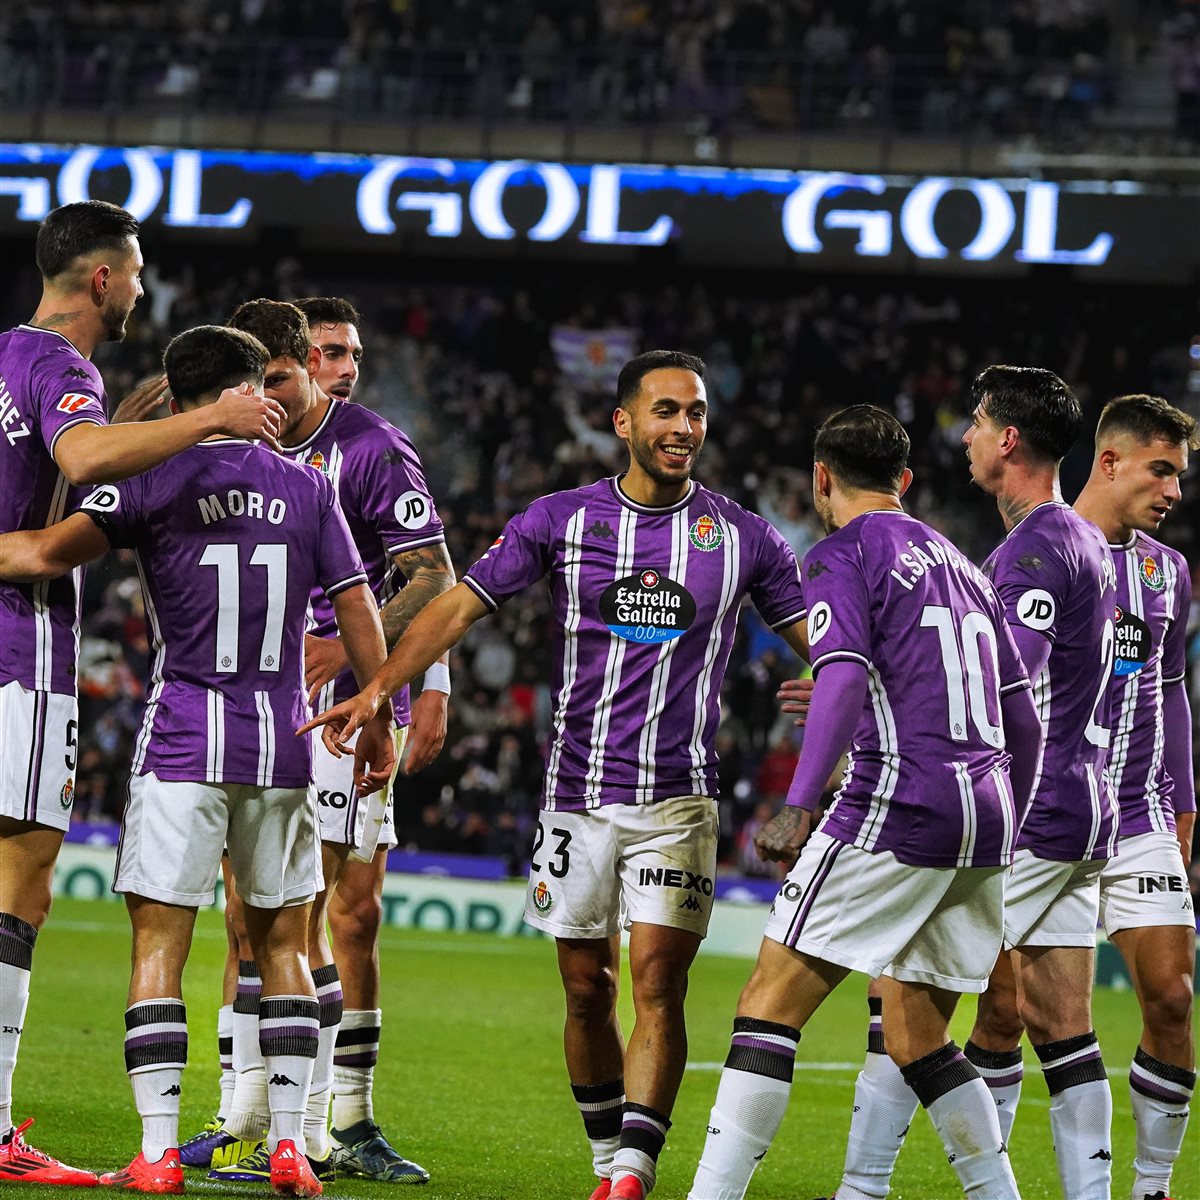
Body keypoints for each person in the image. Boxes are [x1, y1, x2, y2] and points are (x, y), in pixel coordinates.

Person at [301, 350, 810, 1200]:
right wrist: (381, 687)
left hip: (679, 800)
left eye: (695, 412)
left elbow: (823, 641)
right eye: (666, 411)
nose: (684, 427)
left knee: (658, 981)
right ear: (623, 422)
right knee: (586, 991)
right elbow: (455, 607)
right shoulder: (561, 520)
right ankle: (608, 1158)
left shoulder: (744, 537)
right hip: (575, 797)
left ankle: (632, 1174)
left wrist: (853, 686)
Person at [0, 324, 398, 1196]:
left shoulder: (152, 478)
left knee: (159, 946)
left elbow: (43, 552)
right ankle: (289, 1146)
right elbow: (358, 603)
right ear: (251, 390)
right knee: (284, 945)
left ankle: (155, 1153)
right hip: (282, 745)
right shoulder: (309, 485)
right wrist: (376, 714)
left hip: (182, 738)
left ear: (178, 398)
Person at [687, 404, 1042, 1200]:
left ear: (821, 477)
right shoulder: (966, 567)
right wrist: (1005, 820)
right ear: (903, 480)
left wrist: (799, 802)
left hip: (901, 801)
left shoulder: (840, 554)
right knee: (919, 1032)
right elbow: (1022, 718)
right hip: (985, 817)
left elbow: (841, 672)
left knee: (768, 1004)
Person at [0, 201, 284, 1187]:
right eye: (137, 270)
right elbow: (80, 465)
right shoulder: (63, 367)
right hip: (20, 647)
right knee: (21, 880)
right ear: (103, 278)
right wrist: (206, 420)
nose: (144, 287)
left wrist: (130, 430)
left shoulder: (6, 356)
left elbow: (59, 467)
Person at [805, 366, 1121, 1200]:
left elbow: (1003, 686)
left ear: (1008, 439)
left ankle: (862, 1188)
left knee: (902, 1009)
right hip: (1086, 808)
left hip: (1030, 812)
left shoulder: (1031, 553)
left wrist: (876, 686)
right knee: (1062, 1030)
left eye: (978, 422)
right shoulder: (1085, 538)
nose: (968, 436)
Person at [186, 299, 449, 1186]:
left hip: (342, 708)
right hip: (249, 701)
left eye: (277, 378)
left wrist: (366, 661)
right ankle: (243, 1118)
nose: (263, 394)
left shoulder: (369, 446)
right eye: (250, 381)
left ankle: (323, 1127)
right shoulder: (236, 443)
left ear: (300, 364)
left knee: (315, 917)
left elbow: (433, 575)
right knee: (246, 919)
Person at [1067, 395, 1196, 1200]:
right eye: (1162, 471)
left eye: (1180, 475)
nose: (1175, 491)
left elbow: (1173, 689)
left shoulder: (1167, 572)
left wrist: (1186, 803)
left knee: (1173, 999)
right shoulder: (1039, 551)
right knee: (1008, 1012)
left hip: (1140, 813)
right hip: (1048, 821)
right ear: (1110, 461)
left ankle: (1151, 1187)